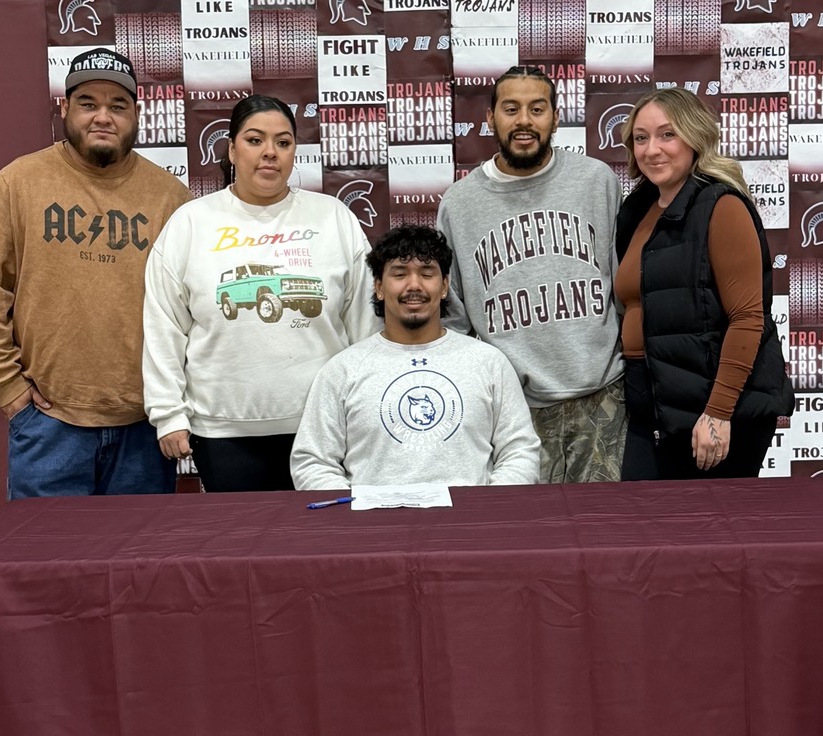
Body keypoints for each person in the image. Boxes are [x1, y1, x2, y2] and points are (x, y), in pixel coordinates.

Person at [0, 48, 192, 498]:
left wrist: (174, 406)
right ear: (65, 108)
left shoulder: (171, 198)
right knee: (44, 565)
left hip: (145, 429)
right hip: (50, 427)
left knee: (136, 568)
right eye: (88, 103)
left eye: (117, 106)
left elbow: (193, 307)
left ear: (137, 115)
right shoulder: (19, 182)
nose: (103, 116)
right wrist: (9, 389)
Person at [143, 95, 380, 492]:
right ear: (232, 149)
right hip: (222, 431)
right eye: (255, 140)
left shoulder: (333, 217)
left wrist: (368, 404)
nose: (270, 153)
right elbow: (163, 325)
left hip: (323, 425)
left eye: (283, 142)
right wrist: (168, 414)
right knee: (242, 547)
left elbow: (365, 323)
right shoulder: (191, 223)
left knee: (326, 545)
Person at [436, 65, 626, 484]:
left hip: (602, 397)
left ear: (556, 117)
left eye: (537, 108)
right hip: (511, 408)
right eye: (511, 108)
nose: (524, 120)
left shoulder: (597, 181)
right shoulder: (459, 203)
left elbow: (626, 287)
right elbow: (454, 316)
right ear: (490, 118)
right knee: (524, 537)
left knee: (603, 533)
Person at [615, 87, 794, 479]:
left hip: (714, 407)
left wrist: (717, 412)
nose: (652, 149)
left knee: (705, 536)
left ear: (695, 137)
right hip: (653, 403)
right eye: (641, 138)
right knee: (644, 530)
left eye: (667, 134)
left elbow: (748, 317)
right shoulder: (637, 211)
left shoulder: (721, 206)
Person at [290, 225, 540, 489]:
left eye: (427, 273)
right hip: (374, 525)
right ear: (378, 287)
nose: (414, 285)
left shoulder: (489, 362)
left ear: (444, 286)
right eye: (399, 273)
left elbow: (520, 450)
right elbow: (313, 462)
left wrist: (484, 509)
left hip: (468, 524)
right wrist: (356, 516)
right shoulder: (343, 370)